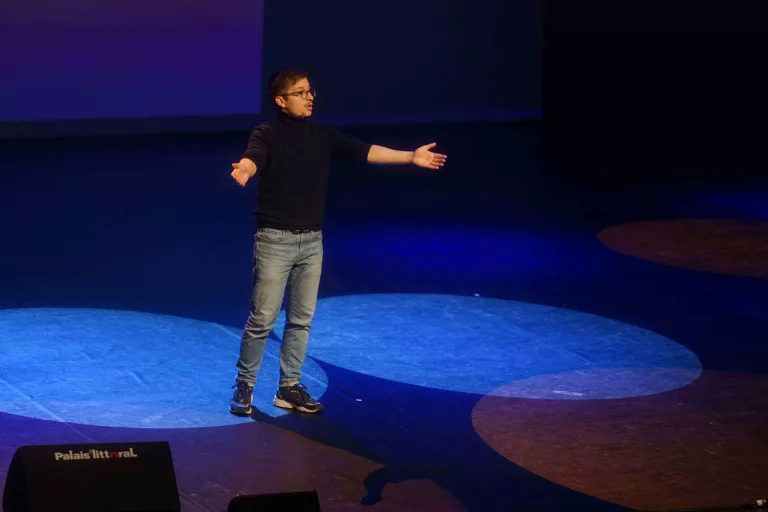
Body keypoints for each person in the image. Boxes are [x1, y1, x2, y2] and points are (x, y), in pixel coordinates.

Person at [229, 69, 447, 415]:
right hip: (275, 240)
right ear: (281, 101)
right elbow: (252, 156)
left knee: (301, 320)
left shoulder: (323, 135)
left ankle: (289, 387)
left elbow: (365, 151)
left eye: (310, 91)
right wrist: (244, 169)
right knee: (263, 319)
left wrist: (409, 156)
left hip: (312, 242)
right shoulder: (267, 133)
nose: (309, 96)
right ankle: (245, 385)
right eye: (300, 92)